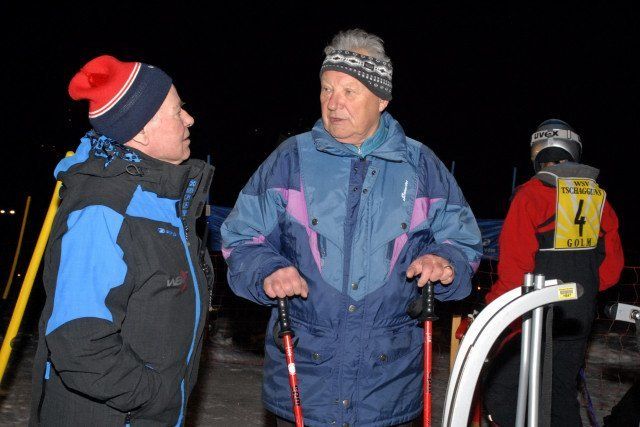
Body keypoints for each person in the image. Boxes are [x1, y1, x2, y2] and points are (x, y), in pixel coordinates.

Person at [221, 29, 482, 426]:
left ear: (381, 99)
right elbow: (241, 237)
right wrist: (268, 269)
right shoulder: (290, 159)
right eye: (326, 89)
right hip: (306, 376)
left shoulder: (421, 166)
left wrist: (443, 261)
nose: (333, 103)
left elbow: (462, 241)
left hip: (389, 382)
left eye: (349, 91)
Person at [29, 55, 215, 426]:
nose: (189, 119)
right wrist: (155, 397)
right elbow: (78, 342)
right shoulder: (102, 213)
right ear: (141, 131)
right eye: (177, 111)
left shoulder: (162, 204)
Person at [483, 119, 624, 426]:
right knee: (558, 397)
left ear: (536, 152)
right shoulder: (600, 200)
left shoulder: (531, 196)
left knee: (501, 396)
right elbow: (611, 273)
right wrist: (580, 284)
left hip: (532, 317)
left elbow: (514, 272)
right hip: (577, 317)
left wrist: (490, 312)